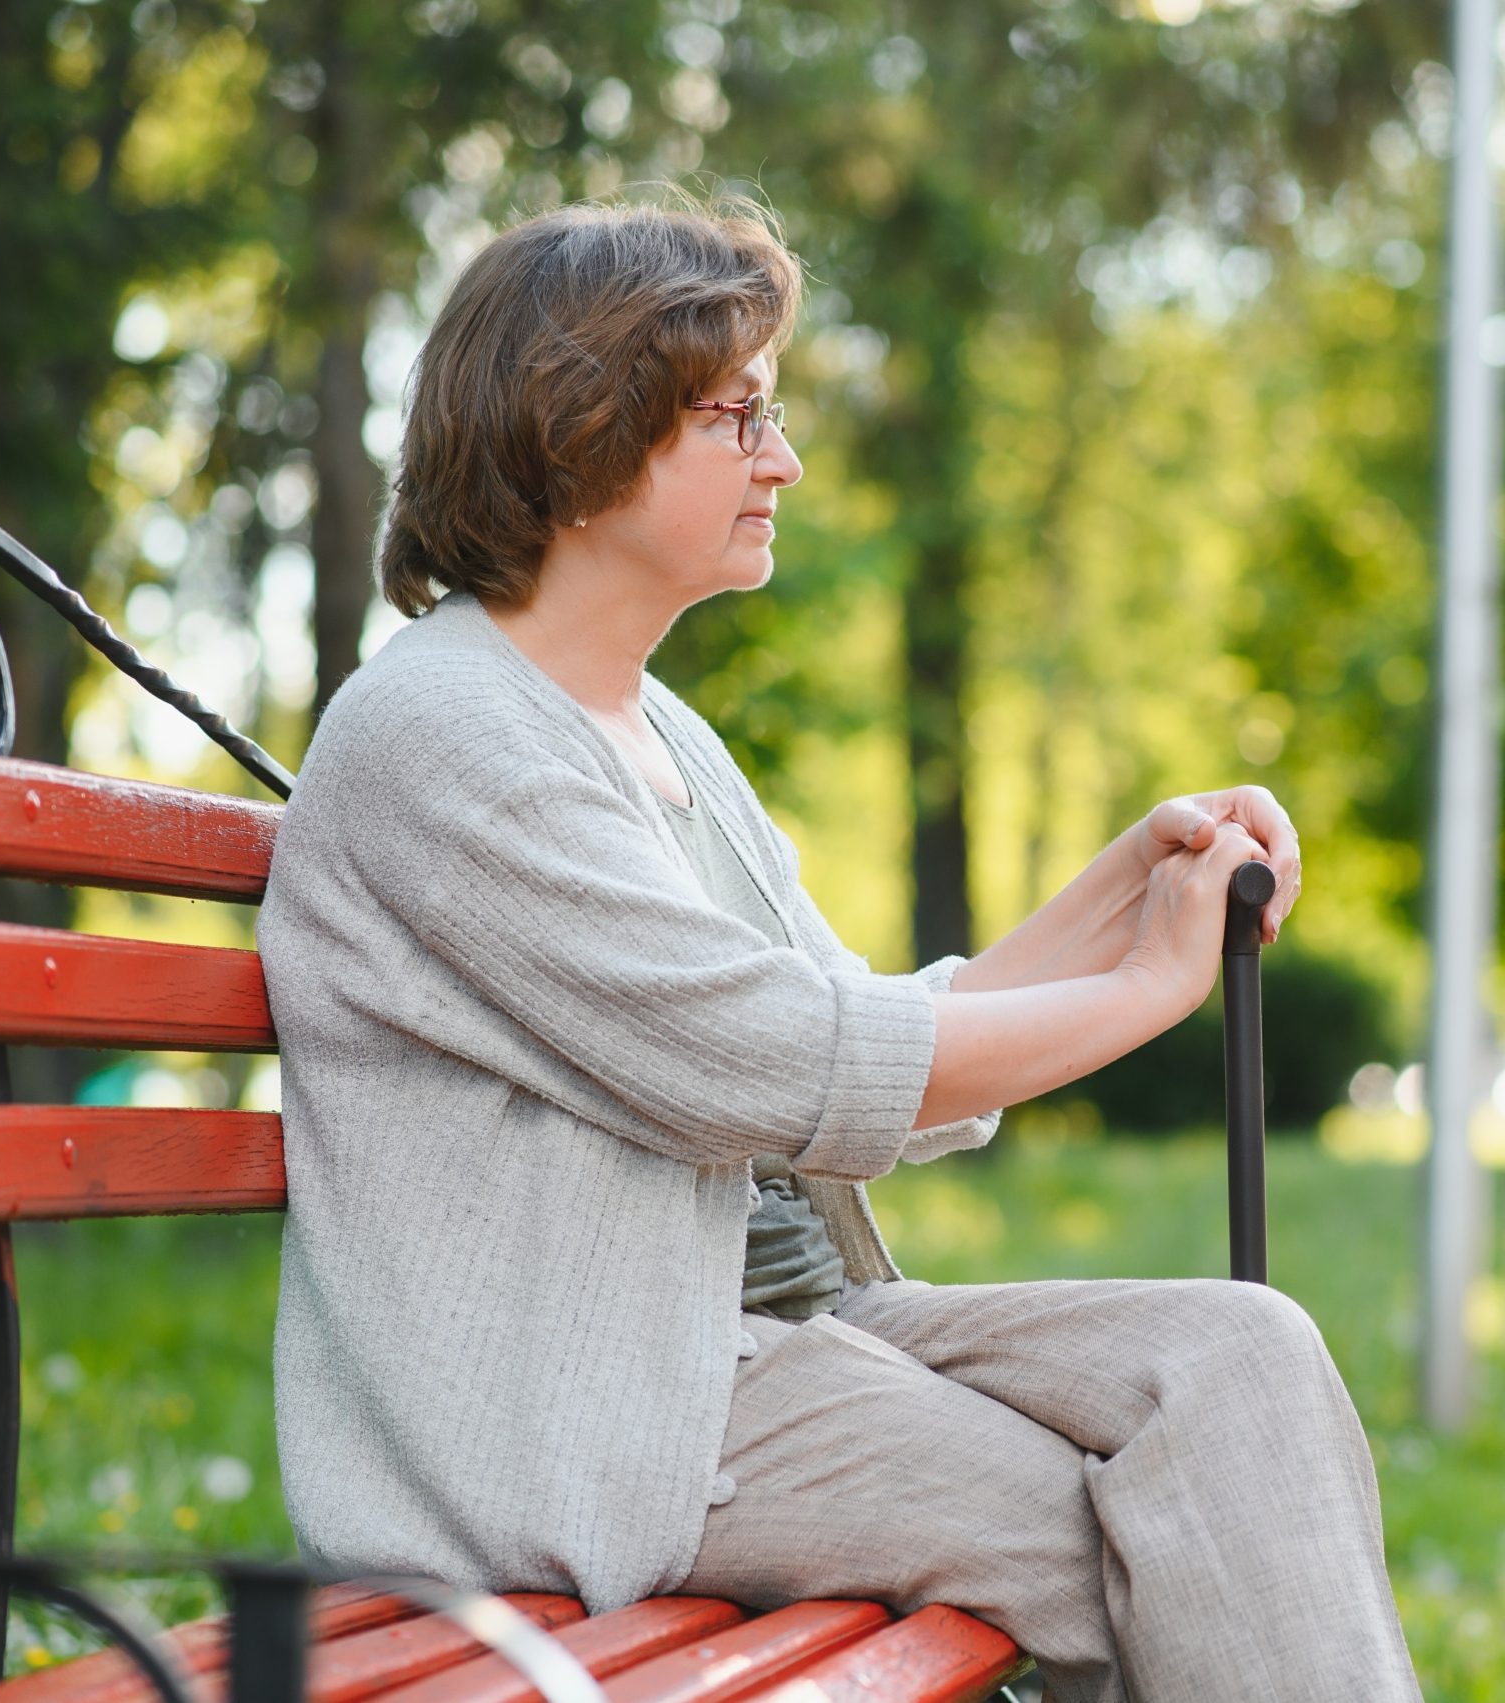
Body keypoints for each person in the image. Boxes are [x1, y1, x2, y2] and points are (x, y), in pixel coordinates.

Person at [254, 193, 1418, 1703]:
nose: (782, 458)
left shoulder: (658, 729)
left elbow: (852, 1024)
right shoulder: (444, 732)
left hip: (775, 1343)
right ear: (581, 431)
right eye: (736, 417)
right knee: (1143, 1527)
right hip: (602, 1413)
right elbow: (780, 1069)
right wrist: (1149, 988)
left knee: (1241, 1357)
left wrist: (1133, 883)